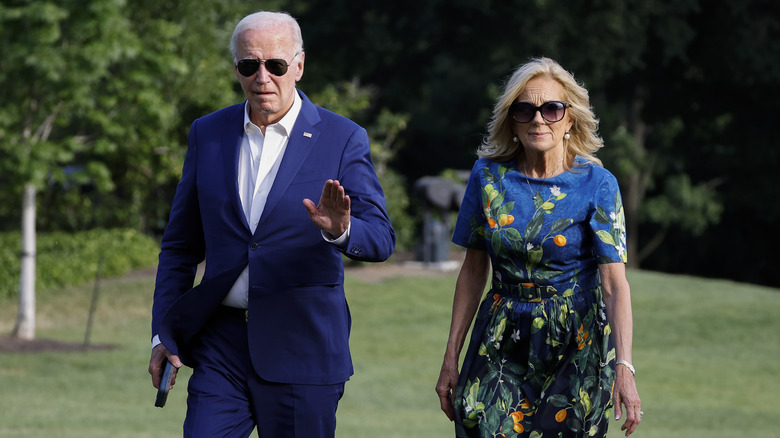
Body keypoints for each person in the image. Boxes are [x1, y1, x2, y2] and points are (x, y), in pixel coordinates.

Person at [147, 11, 395, 438]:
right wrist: (161, 333)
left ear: (298, 65)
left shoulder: (343, 137)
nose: (263, 76)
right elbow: (180, 246)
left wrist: (340, 230)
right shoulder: (208, 133)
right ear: (237, 70)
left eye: (275, 64)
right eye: (250, 65)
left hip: (303, 346)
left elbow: (382, 238)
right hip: (220, 345)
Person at [435, 57, 642, 437]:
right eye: (524, 109)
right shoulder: (488, 177)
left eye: (551, 108)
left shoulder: (598, 183)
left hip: (575, 341)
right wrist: (451, 355)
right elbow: (473, 269)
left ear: (570, 120)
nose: (538, 119)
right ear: (511, 120)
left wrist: (624, 366)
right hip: (502, 333)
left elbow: (614, 285)